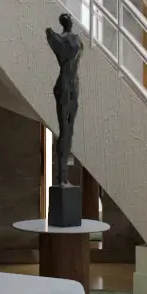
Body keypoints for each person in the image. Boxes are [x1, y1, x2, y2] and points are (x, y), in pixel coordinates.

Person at [45, 13, 82, 186]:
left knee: (70, 133)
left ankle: (64, 176)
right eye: (67, 18)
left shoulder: (76, 39)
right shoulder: (58, 39)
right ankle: (61, 176)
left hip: (73, 87)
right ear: (64, 22)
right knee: (65, 132)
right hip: (65, 87)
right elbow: (51, 38)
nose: (70, 20)